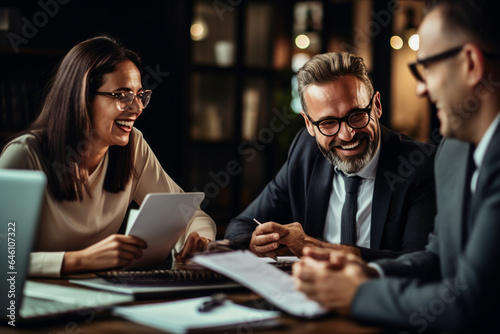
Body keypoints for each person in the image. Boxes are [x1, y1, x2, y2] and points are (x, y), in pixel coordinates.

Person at [293, 0, 500, 332]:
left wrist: (358, 294)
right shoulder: (452, 152)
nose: (421, 88)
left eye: (426, 69)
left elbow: (471, 306)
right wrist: (366, 270)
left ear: (471, 64)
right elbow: (437, 259)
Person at [0, 36, 215, 277]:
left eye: (139, 95)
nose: (137, 108)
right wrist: (79, 260)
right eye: (122, 96)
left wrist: (200, 239)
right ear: (82, 98)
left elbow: (190, 213)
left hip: (98, 296)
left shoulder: (133, 146)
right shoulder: (25, 156)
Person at [225, 51, 436, 261]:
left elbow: (418, 263)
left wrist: (316, 248)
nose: (347, 135)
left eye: (356, 115)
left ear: (376, 106)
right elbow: (240, 226)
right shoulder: (305, 151)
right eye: (328, 123)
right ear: (309, 124)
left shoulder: (420, 164)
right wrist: (256, 244)